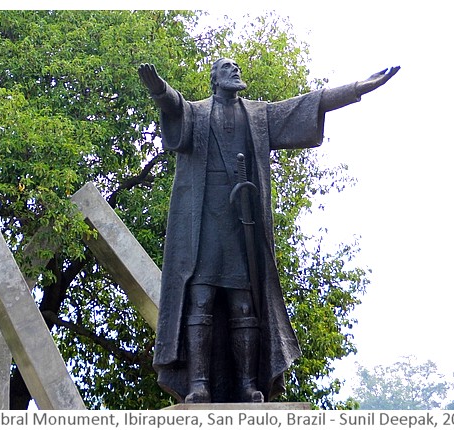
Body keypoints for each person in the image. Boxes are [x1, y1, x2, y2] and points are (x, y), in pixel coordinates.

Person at [139, 58, 399, 403]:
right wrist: (159, 90)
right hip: (201, 228)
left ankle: (249, 384)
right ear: (214, 79)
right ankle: (199, 384)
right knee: (200, 301)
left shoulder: (258, 116)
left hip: (242, 226)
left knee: (244, 305)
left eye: (236, 68)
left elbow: (306, 105)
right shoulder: (198, 113)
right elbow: (175, 108)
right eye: (227, 68)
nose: (236, 71)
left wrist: (355, 90)